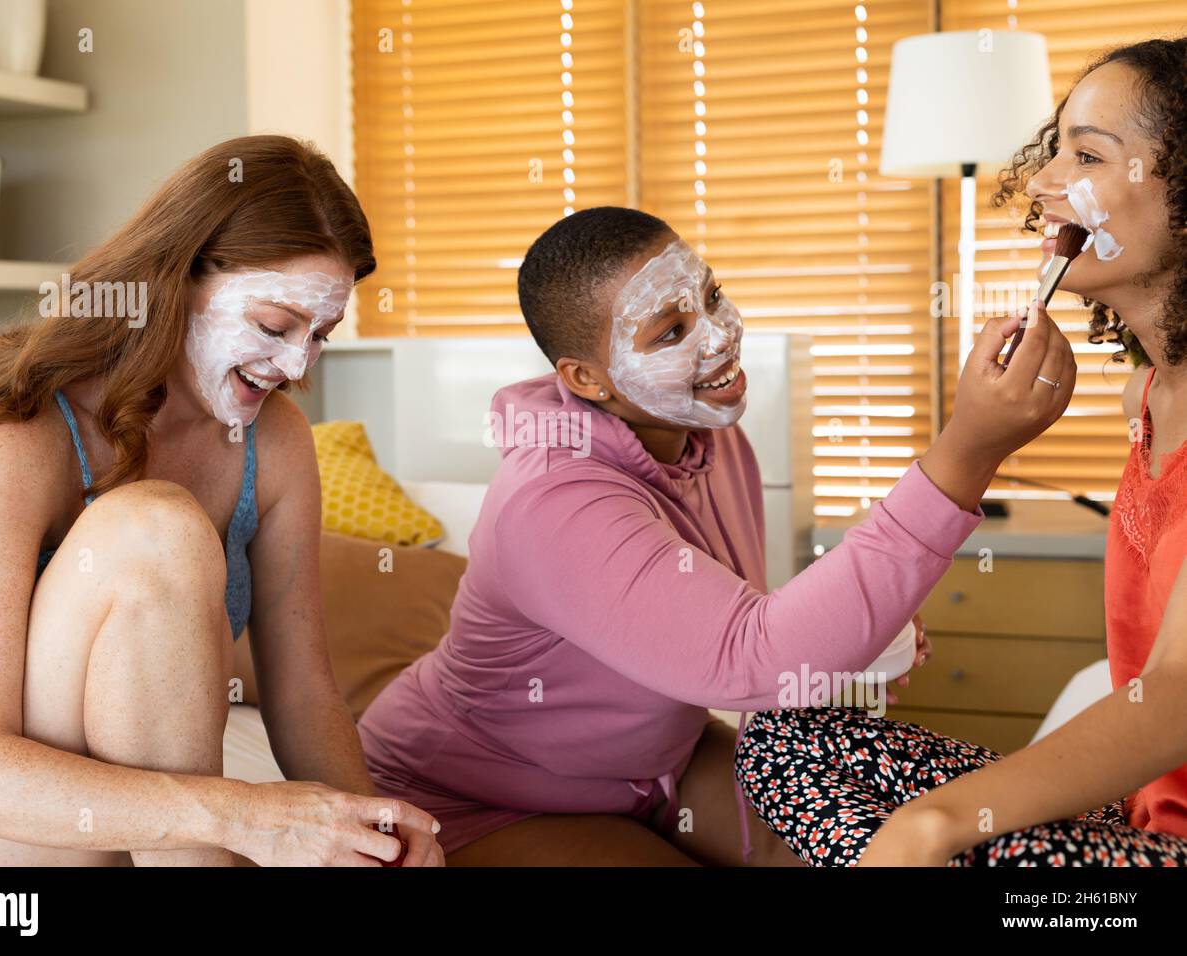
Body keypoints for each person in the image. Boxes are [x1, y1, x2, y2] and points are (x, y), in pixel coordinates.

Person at [357, 204, 1075, 865]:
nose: (720, 332)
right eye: (671, 331)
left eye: (712, 295)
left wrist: (853, 639)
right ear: (587, 378)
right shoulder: (551, 501)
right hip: (483, 793)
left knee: (883, 847)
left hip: (658, 761)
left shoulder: (711, 438)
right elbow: (752, 658)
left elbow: (732, 619)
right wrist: (969, 451)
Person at [0, 135, 442, 867]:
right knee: (157, 529)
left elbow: (304, 694)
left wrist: (370, 834)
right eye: (275, 327)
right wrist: (243, 816)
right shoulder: (15, 440)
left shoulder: (273, 443)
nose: (296, 364)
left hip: (146, 837)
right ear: (175, 280)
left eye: (320, 337)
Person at [738, 38, 1187, 867]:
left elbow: (1175, 695)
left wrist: (935, 823)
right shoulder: (1146, 399)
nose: (1046, 184)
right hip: (1141, 819)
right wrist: (976, 440)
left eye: (1086, 155)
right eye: (1054, 149)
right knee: (783, 741)